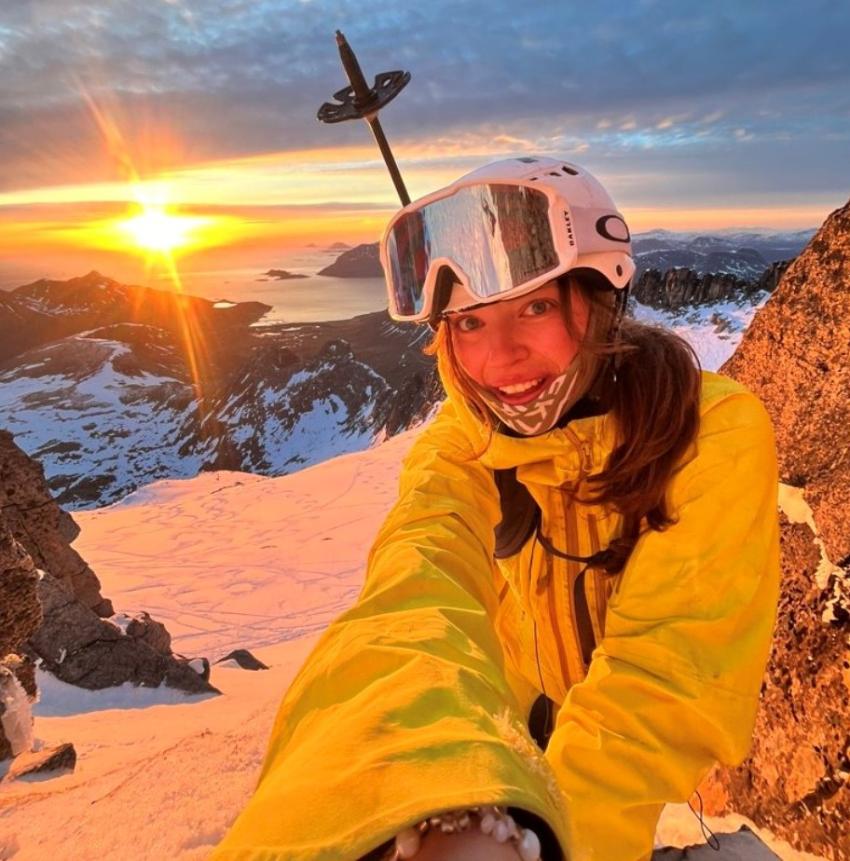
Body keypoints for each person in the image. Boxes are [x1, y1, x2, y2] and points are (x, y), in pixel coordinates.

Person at [212, 156, 780, 861]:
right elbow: (412, 598)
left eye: (535, 306)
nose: (499, 357)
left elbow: (664, 680)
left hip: (630, 791)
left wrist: (553, 843)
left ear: (601, 298)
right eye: (468, 322)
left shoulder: (707, 434)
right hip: (515, 727)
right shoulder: (462, 443)